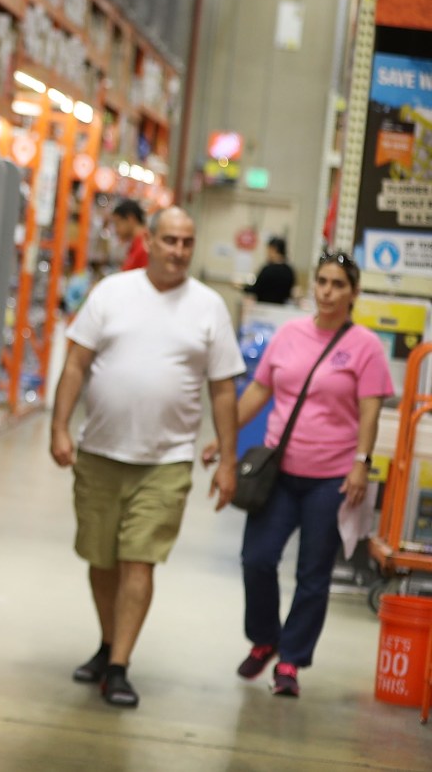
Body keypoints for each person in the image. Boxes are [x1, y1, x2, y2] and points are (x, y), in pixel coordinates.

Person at [50, 207, 244, 708]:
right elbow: (76, 364)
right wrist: (59, 427)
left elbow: (223, 389)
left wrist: (227, 459)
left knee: (140, 562)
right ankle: (107, 642)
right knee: (100, 559)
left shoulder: (208, 306)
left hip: (167, 460)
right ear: (150, 242)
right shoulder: (112, 292)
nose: (179, 251)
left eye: (187, 242)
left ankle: (118, 666)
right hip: (99, 452)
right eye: (170, 241)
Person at [206, 252, 391, 698]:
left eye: (338, 285)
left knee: (312, 574)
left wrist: (360, 464)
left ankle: (290, 661)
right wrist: (224, 439)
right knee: (257, 559)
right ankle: (265, 637)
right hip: (278, 472)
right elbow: (258, 390)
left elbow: (370, 412)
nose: (327, 292)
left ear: (353, 293)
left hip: (331, 479)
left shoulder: (365, 346)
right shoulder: (288, 335)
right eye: (322, 282)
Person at [246, 236, 296, 305]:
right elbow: (289, 292)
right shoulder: (289, 270)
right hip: (282, 309)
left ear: (273, 249)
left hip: (264, 308)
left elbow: (255, 289)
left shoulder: (268, 270)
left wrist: (242, 287)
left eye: (268, 250)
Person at [111, 198, 148, 271]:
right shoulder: (135, 244)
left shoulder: (145, 247)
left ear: (130, 219)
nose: (116, 230)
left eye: (117, 224)